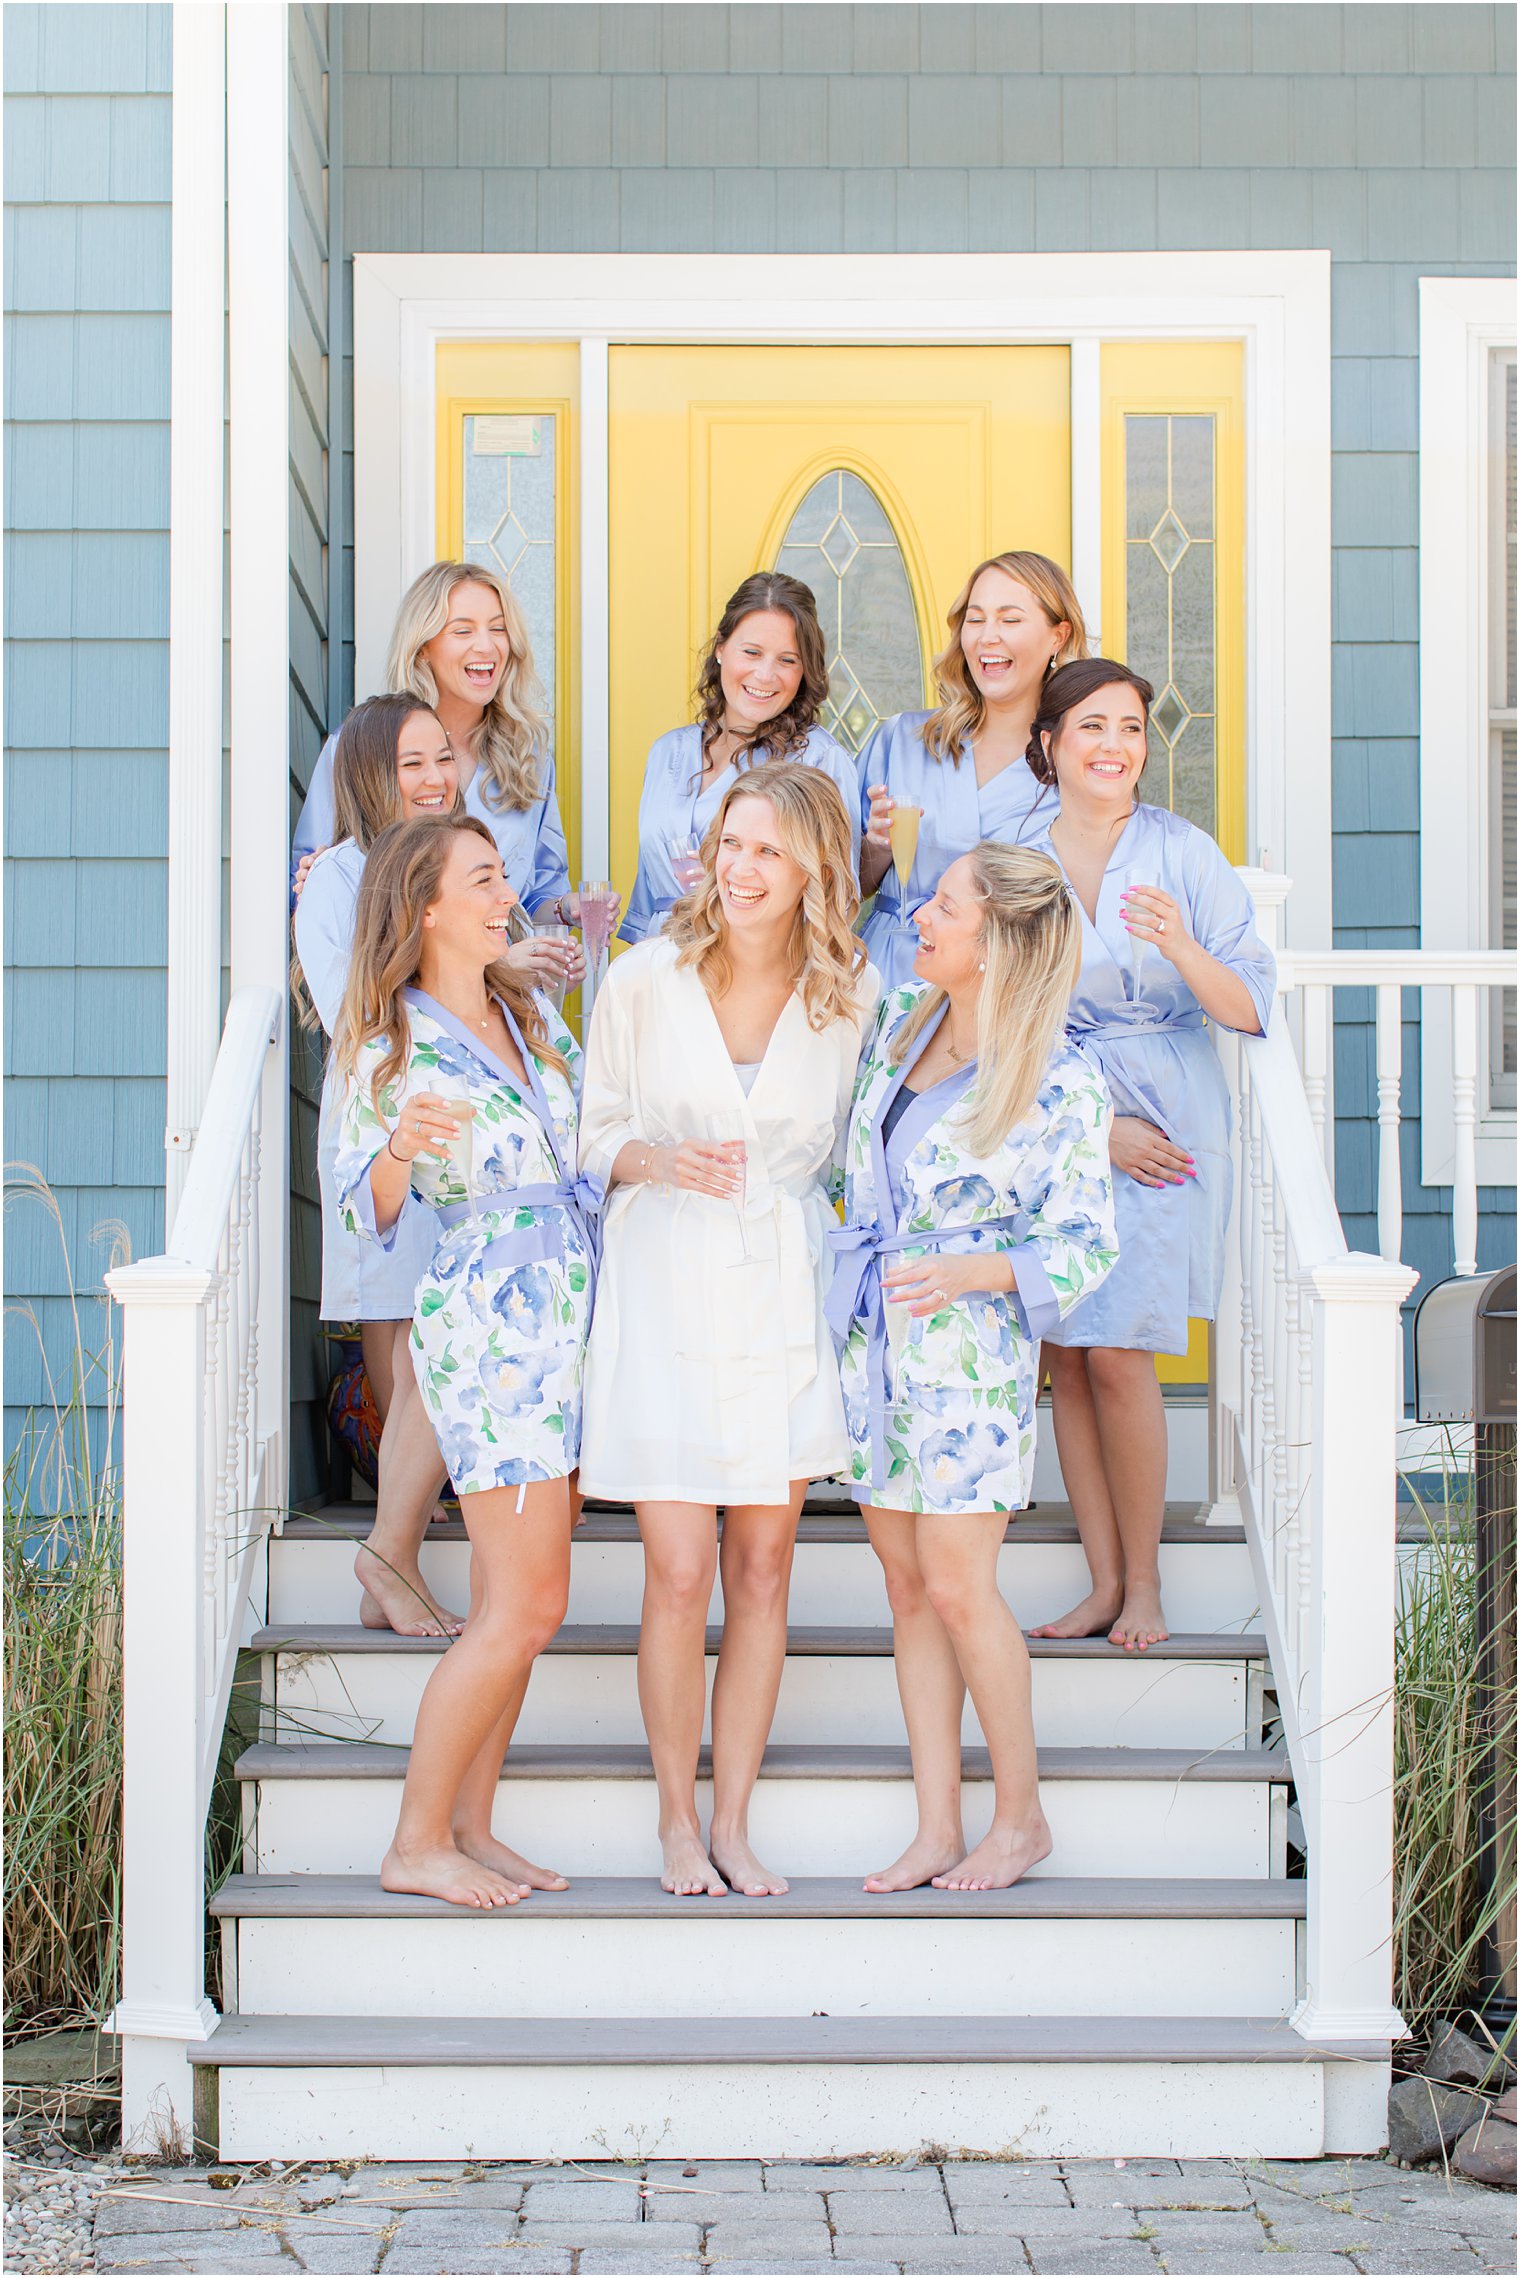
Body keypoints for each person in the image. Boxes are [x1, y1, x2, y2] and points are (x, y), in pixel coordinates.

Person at [578, 762, 878, 1899]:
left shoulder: (847, 995)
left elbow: (870, 1150)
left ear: (811, 867)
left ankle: (733, 1820)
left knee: (760, 1569)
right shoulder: (643, 981)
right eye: (728, 845)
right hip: (661, 1281)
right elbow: (591, 1132)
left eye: (767, 850)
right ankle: (670, 1819)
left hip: (781, 1290)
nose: (741, 870)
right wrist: (655, 1158)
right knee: (676, 1567)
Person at [830, 843, 1117, 1894]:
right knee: (905, 1587)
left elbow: (1084, 1246)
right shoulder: (904, 1025)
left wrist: (970, 1269)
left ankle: (1019, 1815)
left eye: (943, 904)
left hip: (970, 1361)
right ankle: (935, 1825)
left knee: (957, 1585)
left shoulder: (1056, 1076)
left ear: (994, 937)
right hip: (877, 1348)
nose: (921, 914)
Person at [333, 813, 599, 1908]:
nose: (508, 896)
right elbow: (368, 1209)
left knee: (509, 1590)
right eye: (486, 880)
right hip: (493, 1323)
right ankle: (414, 1839)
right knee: (528, 1604)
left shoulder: (530, 1015)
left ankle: (473, 1826)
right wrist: (397, 1149)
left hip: (571, 1315)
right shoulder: (392, 1038)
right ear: (429, 906)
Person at [1019, 659, 1276, 1653]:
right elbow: (1003, 1014)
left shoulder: (1180, 853)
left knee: (1121, 1353)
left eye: (1128, 727)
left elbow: (1247, 1009)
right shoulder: (1016, 860)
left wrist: (1178, 946)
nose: (1112, 747)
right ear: (1048, 744)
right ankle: (1098, 1580)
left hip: (1164, 1122)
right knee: (1071, 1362)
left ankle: (1144, 1588)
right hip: (1057, 1114)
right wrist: (1089, 1131)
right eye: (1090, 727)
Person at [293, 557, 617, 947]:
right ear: (423, 647)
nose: (488, 645)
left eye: (498, 629)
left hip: (503, 997)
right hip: (398, 991)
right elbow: (313, 890)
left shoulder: (527, 757)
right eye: (463, 630)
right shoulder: (361, 745)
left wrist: (566, 909)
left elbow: (532, 897)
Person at [858, 551, 1087, 986]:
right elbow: (845, 886)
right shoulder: (903, 742)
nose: (987, 637)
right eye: (975, 619)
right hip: (891, 979)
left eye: (1010, 619)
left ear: (1059, 636)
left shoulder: (1073, 766)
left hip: (1004, 990)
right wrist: (875, 846)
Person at [619, 571, 861, 945]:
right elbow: (648, 896)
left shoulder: (821, 762)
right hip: (662, 964)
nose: (765, 675)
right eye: (751, 652)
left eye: (787, 660)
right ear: (720, 648)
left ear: (805, 671)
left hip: (760, 971)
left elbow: (836, 904)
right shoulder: (667, 753)